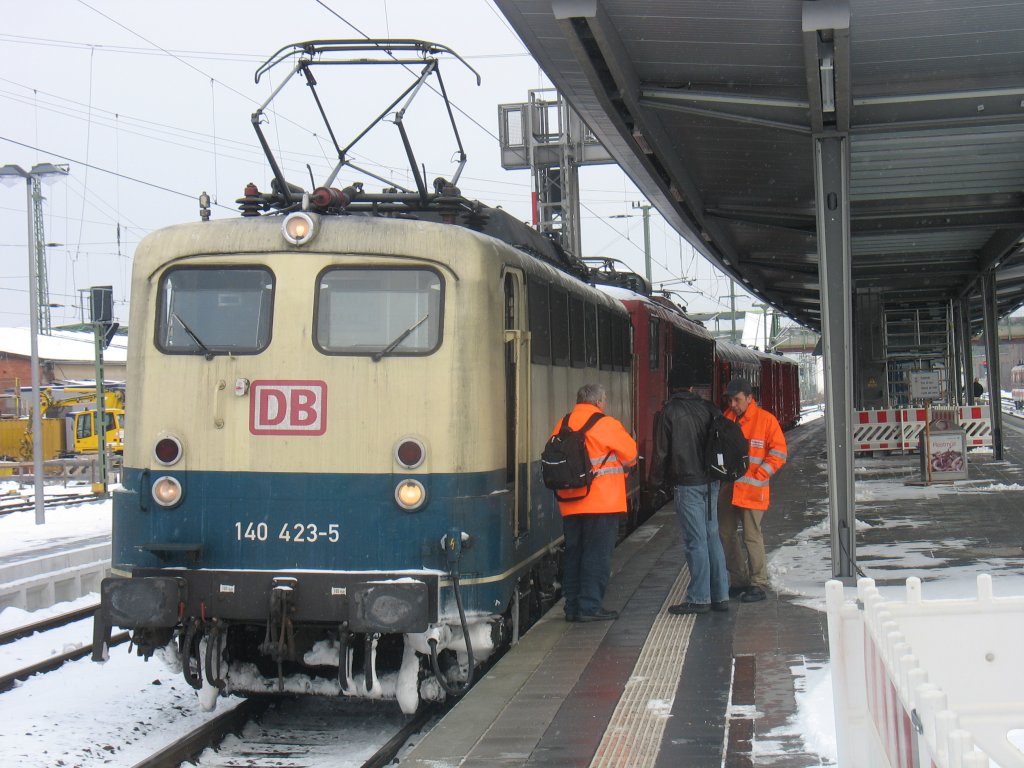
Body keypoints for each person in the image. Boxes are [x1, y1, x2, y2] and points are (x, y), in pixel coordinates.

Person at [550, 383, 638, 622]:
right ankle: (589, 607)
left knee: (574, 554)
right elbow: (631, 456)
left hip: (570, 501)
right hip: (601, 503)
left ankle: (572, 606)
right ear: (599, 402)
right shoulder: (607, 424)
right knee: (596, 555)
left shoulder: (563, 423)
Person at [651, 368, 730, 615]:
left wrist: (656, 483)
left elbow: (661, 453)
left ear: (671, 388)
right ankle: (720, 595)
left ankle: (699, 598)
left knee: (695, 540)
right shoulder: (709, 408)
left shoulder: (670, 412)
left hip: (688, 484)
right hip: (711, 482)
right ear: (692, 389)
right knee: (712, 537)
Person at [717, 378, 787, 603]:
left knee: (751, 536)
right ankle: (739, 581)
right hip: (729, 487)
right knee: (726, 534)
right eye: (730, 400)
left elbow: (779, 452)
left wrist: (761, 474)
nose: (733, 404)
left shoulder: (766, 420)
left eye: (737, 400)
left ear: (749, 398)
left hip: (753, 489)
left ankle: (758, 582)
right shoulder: (726, 418)